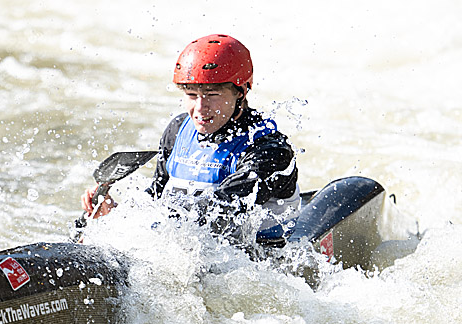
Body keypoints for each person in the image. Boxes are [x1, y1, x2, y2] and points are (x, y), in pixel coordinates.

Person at [80, 33, 301, 249]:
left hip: (258, 260)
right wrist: (115, 215)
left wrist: (135, 227)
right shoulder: (178, 130)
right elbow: (156, 198)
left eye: (212, 95)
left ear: (240, 93)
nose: (200, 108)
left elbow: (219, 211)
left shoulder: (269, 151)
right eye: (192, 95)